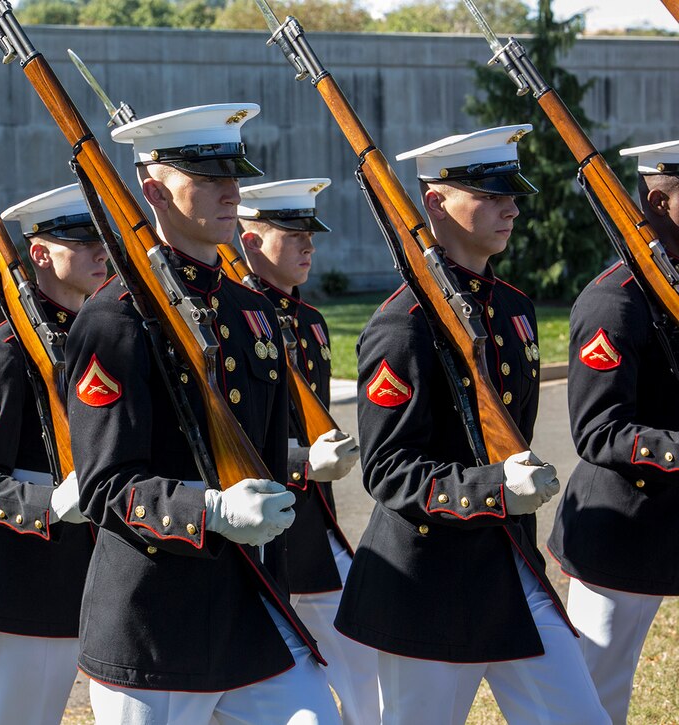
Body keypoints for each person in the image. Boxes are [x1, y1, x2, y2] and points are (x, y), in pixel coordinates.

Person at [66, 103, 340, 724]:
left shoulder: (252, 311)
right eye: (208, 178)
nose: (230, 190)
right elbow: (106, 487)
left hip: (248, 612)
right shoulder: (114, 320)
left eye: (232, 175)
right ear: (154, 190)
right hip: (155, 622)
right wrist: (210, 509)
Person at [333, 125, 607, 724]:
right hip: (426, 584)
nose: (511, 206)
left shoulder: (513, 309)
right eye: (489, 194)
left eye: (511, 193)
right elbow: (390, 471)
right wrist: (493, 490)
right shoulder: (401, 326)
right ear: (435, 203)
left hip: (509, 569)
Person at [0, 184, 105, 725]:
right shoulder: (3, 352)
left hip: (111, 573)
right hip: (34, 583)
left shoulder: (107, 335)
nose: (99, 252)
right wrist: (49, 503)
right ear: (40, 254)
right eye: (81, 242)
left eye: (99, 240)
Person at [548, 138, 679, 723]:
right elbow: (600, 430)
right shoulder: (615, 302)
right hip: (620, 532)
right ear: (658, 200)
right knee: (597, 698)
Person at [237, 178, 375, 724]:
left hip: (314, 527)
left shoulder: (311, 322)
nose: (308, 245)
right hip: (256, 520)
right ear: (249, 243)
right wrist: (301, 463)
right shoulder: (231, 321)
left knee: (362, 663)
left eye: (309, 234)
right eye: (291, 234)